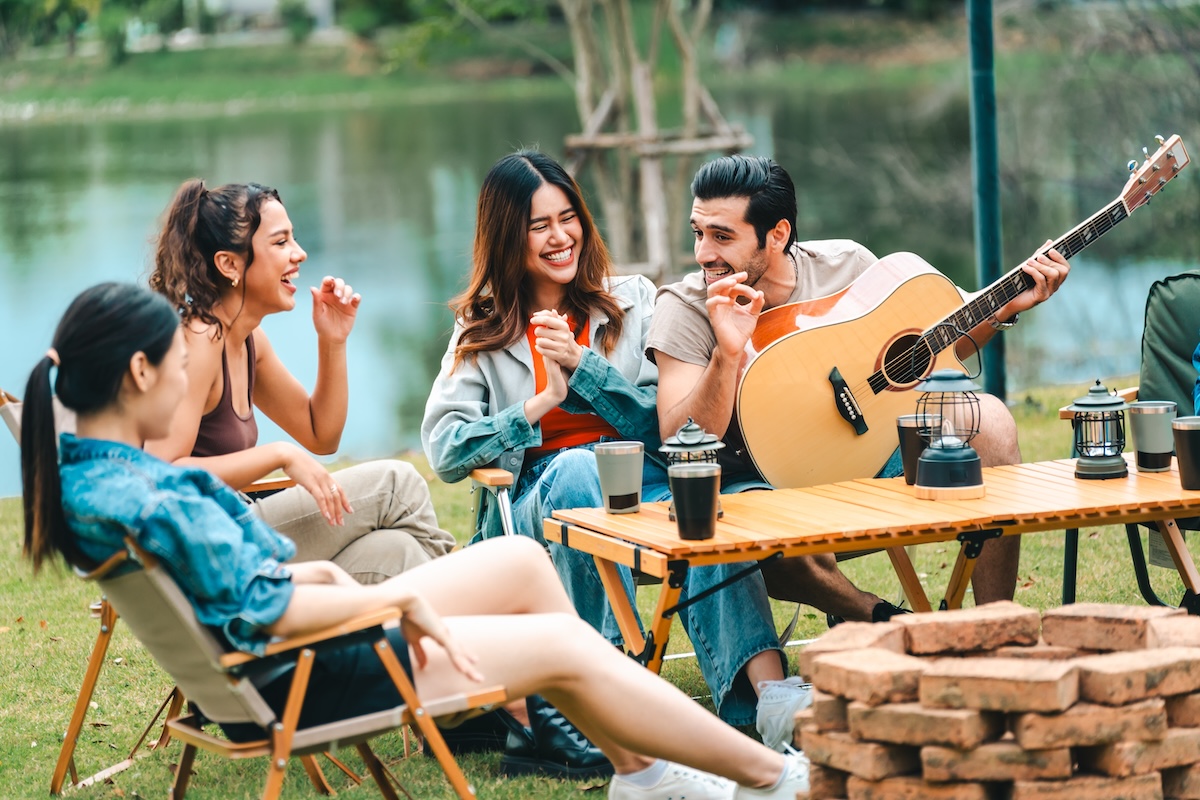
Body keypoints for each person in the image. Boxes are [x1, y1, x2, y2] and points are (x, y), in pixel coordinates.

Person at [21, 281, 810, 800]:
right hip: (312, 670)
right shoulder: (153, 496)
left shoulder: (91, 475)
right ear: (135, 372)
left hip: (295, 646)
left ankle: (641, 777)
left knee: (520, 559)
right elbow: (264, 613)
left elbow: (254, 598)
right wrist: (389, 600)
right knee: (560, 647)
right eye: (176, 367)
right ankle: (774, 779)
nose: (186, 382)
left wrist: (342, 590)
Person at [421, 150, 794, 746]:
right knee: (574, 467)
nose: (560, 236)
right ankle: (596, 687)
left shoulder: (634, 300)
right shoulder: (482, 328)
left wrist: (587, 371)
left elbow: (668, 428)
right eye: (538, 225)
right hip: (544, 500)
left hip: (644, 484)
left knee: (699, 495)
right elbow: (444, 448)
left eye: (567, 217)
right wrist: (538, 406)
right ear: (506, 236)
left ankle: (761, 703)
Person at [646, 154, 1071, 623]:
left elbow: (921, 356)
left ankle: (999, 626)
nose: (703, 253)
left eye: (722, 236)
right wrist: (726, 355)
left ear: (779, 234)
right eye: (698, 232)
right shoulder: (685, 305)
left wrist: (1001, 310)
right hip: (762, 486)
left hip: (867, 459)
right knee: (765, 534)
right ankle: (883, 618)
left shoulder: (847, 267)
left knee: (987, 419)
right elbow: (678, 436)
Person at [145, 179, 455, 585]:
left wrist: (332, 341)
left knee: (398, 554)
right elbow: (159, 474)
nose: (300, 253)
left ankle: (435, 626)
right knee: (398, 485)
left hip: (235, 537)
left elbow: (321, 435)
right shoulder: (200, 340)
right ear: (229, 264)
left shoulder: (248, 340)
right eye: (280, 242)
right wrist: (278, 455)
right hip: (210, 548)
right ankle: (460, 606)